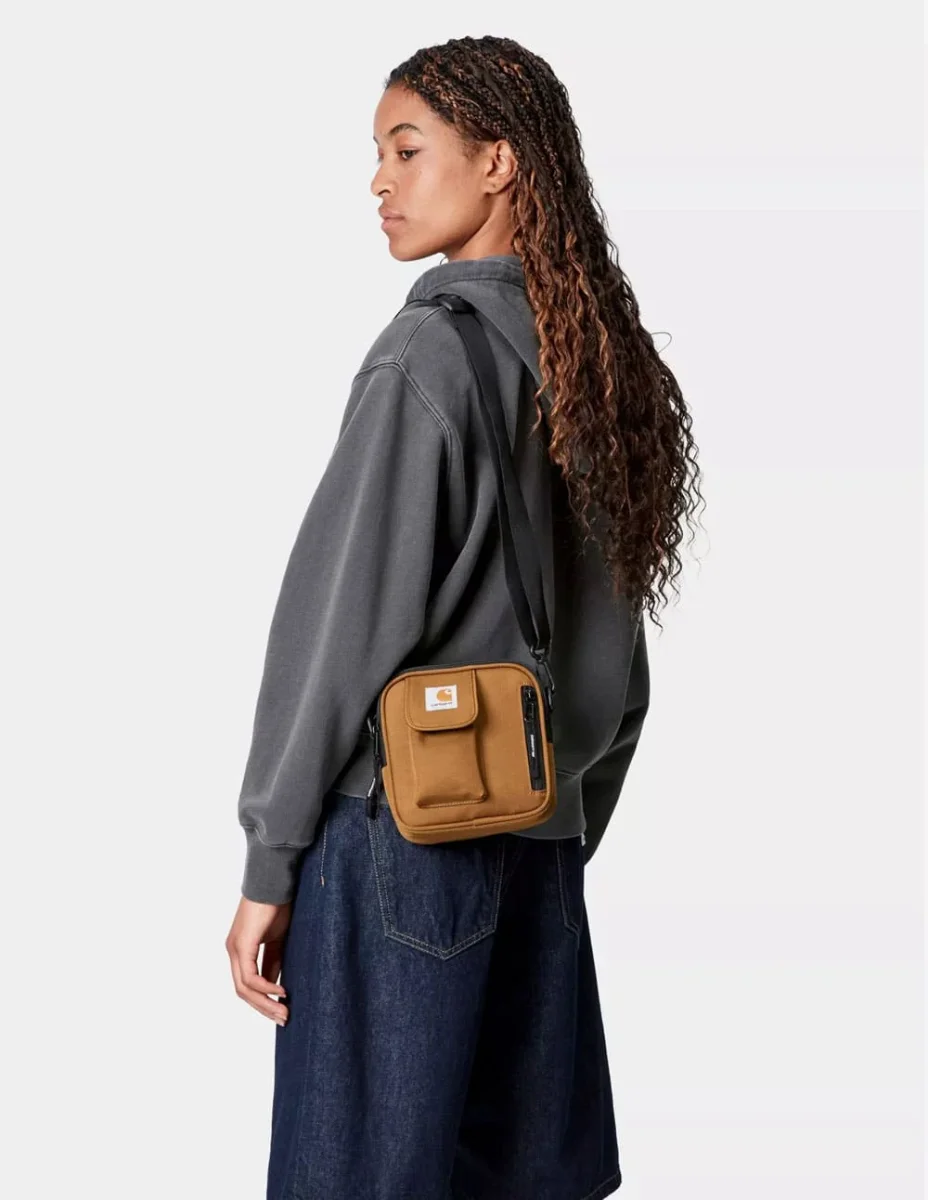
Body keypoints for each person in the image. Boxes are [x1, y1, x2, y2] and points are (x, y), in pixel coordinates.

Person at [225, 34, 703, 1200]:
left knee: (359, 1177)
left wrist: (270, 858)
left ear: (498, 161)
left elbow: (339, 630)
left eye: (406, 149)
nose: (378, 181)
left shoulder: (426, 358)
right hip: (538, 843)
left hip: (398, 837)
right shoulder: (598, 366)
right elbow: (622, 677)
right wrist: (557, 821)